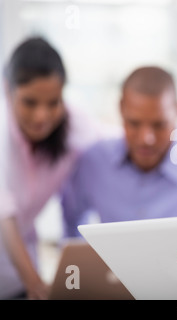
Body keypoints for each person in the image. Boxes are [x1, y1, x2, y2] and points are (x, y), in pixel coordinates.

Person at [61, 66, 177, 237]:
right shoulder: (94, 162)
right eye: (134, 123)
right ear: (121, 109)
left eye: (159, 125)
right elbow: (72, 227)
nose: (146, 139)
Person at [0, 37, 99, 299]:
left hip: (17, 275)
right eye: (30, 102)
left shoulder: (75, 125)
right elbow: (4, 215)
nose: (42, 116)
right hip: (23, 270)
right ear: (7, 90)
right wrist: (35, 283)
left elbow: (114, 149)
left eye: (53, 102)